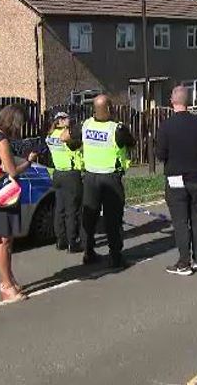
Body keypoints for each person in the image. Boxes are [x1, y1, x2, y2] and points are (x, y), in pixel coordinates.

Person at [0, 105, 37, 302]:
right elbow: (11, 170)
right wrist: (28, 162)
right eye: (19, 124)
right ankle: (6, 286)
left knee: (6, 241)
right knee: (4, 243)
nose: (20, 128)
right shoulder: (1, 140)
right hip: (3, 196)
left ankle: (9, 280)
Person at [157, 86, 197, 276]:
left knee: (180, 222)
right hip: (196, 176)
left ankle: (184, 262)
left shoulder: (166, 126)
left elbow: (160, 154)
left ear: (173, 101)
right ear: (188, 102)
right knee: (196, 218)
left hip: (175, 178)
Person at [80, 95, 135, 267]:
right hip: (110, 178)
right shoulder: (117, 129)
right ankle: (115, 257)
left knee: (89, 216)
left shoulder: (86, 125)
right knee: (113, 218)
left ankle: (88, 252)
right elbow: (131, 143)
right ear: (110, 109)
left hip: (90, 177)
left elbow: (68, 138)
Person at [46, 112, 84, 253]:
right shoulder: (67, 135)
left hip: (57, 174)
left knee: (59, 209)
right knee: (72, 210)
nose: (70, 120)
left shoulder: (50, 136)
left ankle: (60, 240)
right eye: (67, 118)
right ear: (60, 121)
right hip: (71, 174)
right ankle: (72, 242)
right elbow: (77, 147)